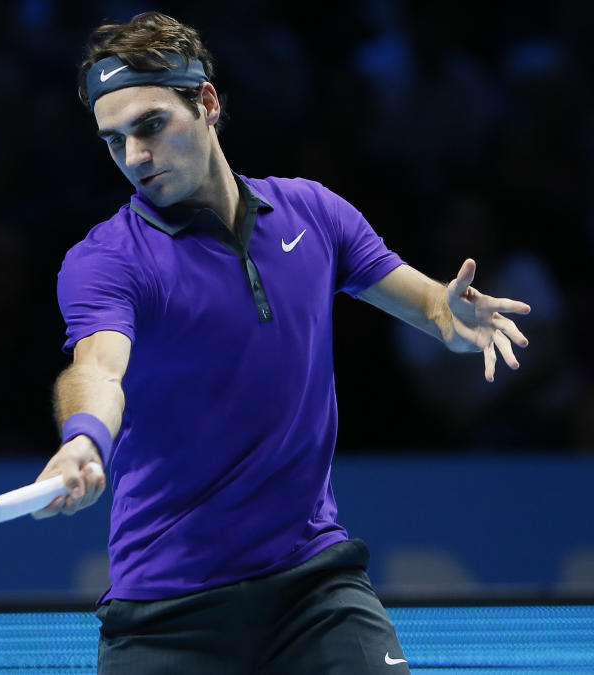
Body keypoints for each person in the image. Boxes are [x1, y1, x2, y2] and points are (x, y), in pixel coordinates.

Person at [32, 12, 531, 675]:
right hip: (167, 611)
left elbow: (428, 301)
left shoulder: (313, 214)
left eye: (151, 126)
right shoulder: (108, 261)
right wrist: (84, 437)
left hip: (313, 588)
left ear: (206, 102)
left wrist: (448, 314)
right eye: (114, 140)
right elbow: (97, 365)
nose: (135, 158)